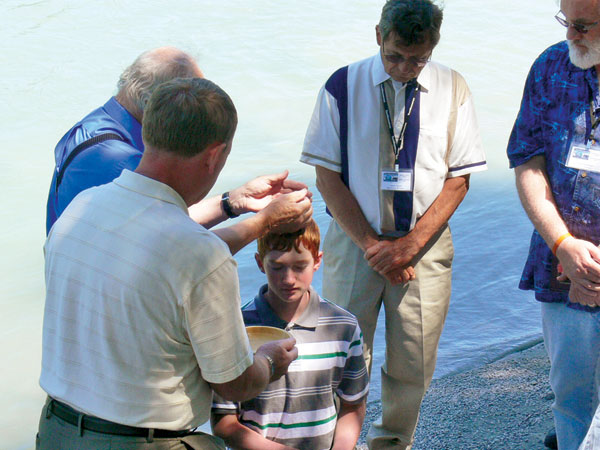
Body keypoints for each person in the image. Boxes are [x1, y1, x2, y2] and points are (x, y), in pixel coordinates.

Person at [37, 77, 299, 450]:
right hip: (144, 442)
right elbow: (234, 383)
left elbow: (165, 258)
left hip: (56, 432)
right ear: (214, 155)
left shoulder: (82, 208)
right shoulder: (198, 255)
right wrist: (269, 362)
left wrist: (246, 212)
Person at [300, 1, 487, 448]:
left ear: (433, 46)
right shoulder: (342, 85)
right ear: (378, 35)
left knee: (414, 360)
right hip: (353, 242)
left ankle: (390, 444)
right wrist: (373, 246)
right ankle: (332, 442)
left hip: (424, 248)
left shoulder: (452, 86)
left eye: (417, 58)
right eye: (395, 56)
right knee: (341, 354)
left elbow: (458, 179)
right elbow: (327, 177)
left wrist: (410, 245)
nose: (405, 68)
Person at [46, 46, 312, 254]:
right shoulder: (118, 161)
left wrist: (233, 201)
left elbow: (163, 219)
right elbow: (176, 250)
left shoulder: (98, 126)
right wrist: (264, 222)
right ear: (158, 105)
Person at [507, 1, 600, 448]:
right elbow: (527, 161)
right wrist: (562, 243)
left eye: (582, 25)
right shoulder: (550, 66)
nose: (570, 35)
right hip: (560, 265)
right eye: (565, 21)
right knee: (571, 396)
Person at [211, 219, 369, 450]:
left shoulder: (343, 326)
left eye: (299, 266)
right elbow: (224, 422)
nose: (288, 279)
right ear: (260, 263)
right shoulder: (237, 328)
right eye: (277, 266)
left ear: (317, 261)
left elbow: (353, 404)